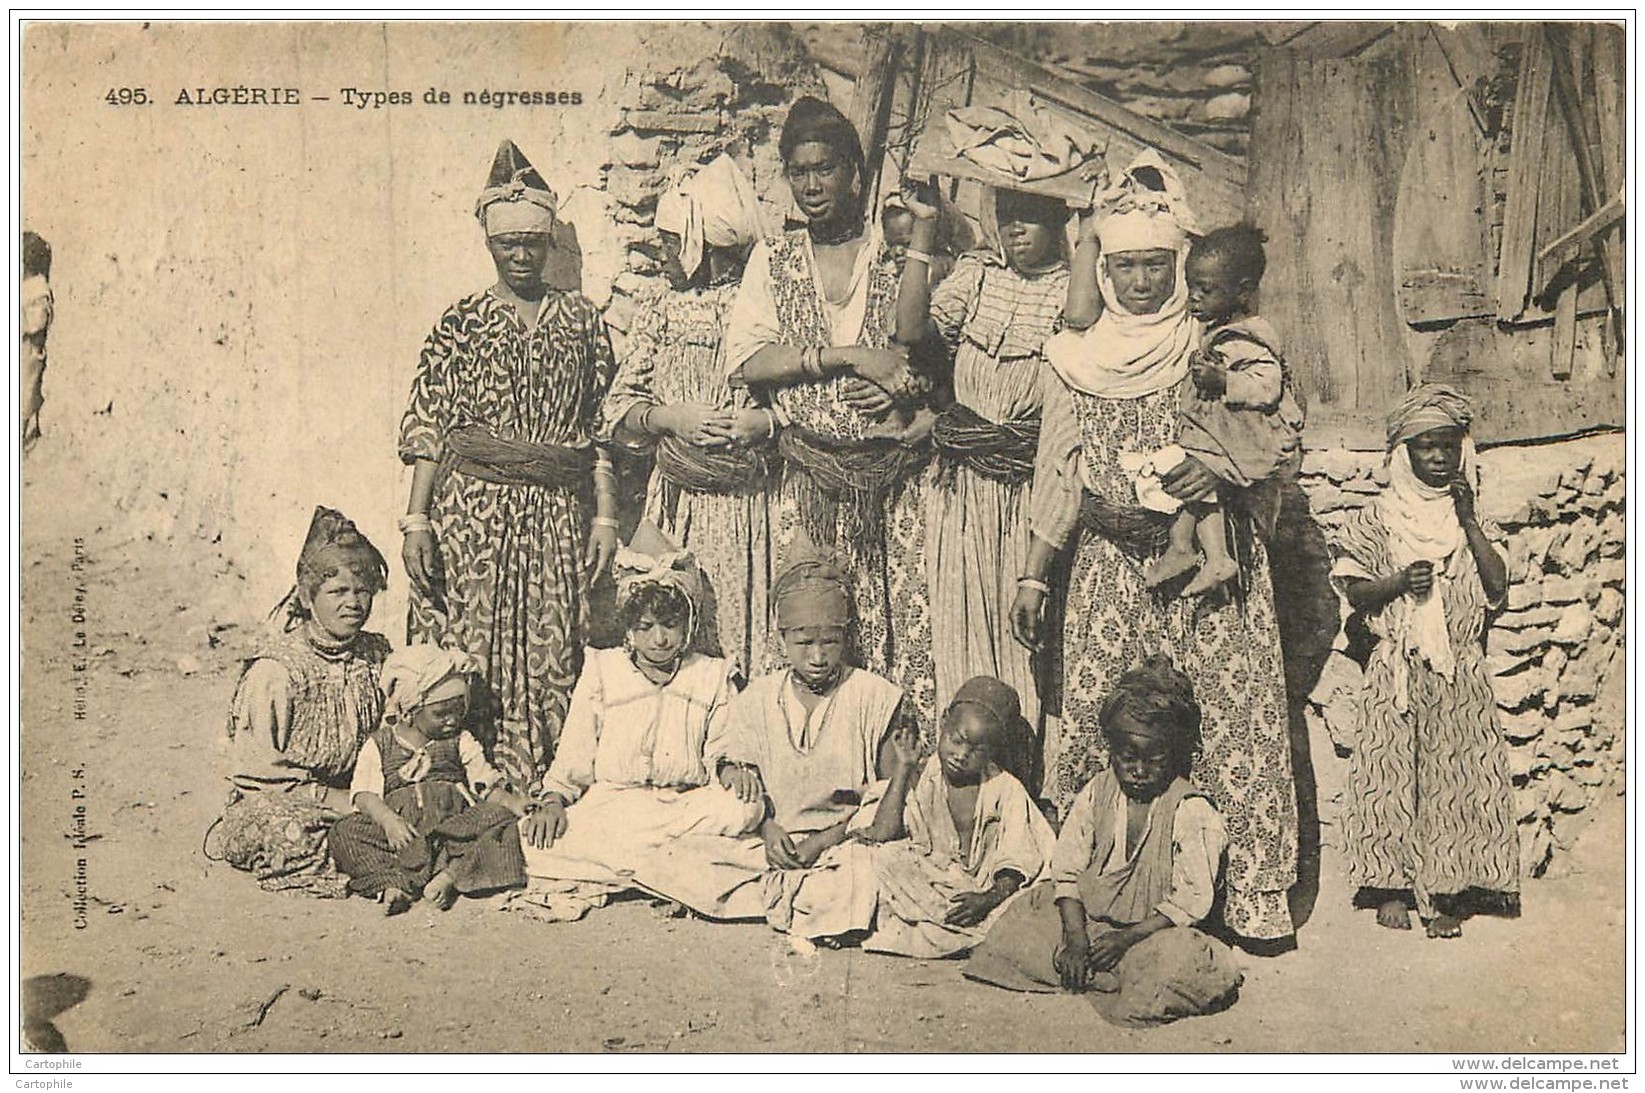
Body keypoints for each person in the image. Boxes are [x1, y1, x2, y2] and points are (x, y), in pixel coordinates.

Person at [1010, 150, 1298, 945]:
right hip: (1109, 567)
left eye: (1155, 266)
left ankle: (1241, 902)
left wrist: (1223, 484)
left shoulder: (1212, 344)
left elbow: (1275, 433)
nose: (1140, 282)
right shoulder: (1073, 357)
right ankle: (1101, 890)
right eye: (1125, 266)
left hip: (1209, 562)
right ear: (1103, 268)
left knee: (1227, 717)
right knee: (1111, 726)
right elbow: (1059, 472)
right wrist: (1035, 576)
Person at [399, 139, 620, 797]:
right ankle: (464, 780)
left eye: (532, 242)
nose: (520, 255)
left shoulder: (583, 321)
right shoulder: (462, 320)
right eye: (507, 244)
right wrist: (416, 519)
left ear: (549, 242)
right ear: (488, 244)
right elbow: (427, 424)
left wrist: (606, 514)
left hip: (556, 510)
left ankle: (550, 782)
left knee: (555, 644)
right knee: (471, 644)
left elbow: (600, 427)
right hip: (472, 510)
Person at [723, 95, 937, 730]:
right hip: (808, 482)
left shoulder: (896, 254)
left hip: (893, 486)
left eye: (825, 169)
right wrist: (847, 358)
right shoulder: (774, 258)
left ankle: (894, 773)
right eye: (799, 171)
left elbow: (936, 357)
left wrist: (906, 387)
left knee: (896, 631)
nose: (812, 186)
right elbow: (748, 362)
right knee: (811, 629)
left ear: (854, 175)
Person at [631, 549, 915, 923]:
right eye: (803, 644)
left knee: (871, 873)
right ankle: (799, 901)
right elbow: (740, 784)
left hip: (844, 843)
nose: (817, 657)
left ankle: (784, 900)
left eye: (828, 642)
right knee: (674, 858)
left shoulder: (875, 697)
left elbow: (886, 799)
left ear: (844, 638)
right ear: (782, 641)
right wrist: (767, 829)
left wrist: (824, 840)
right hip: (770, 842)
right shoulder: (758, 698)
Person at [1329, 384, 1517, 939]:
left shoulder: (1471, 517)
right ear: (1402, 454)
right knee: (1390, 776)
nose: (1437, 459)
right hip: (1397, 670)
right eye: (1424, 448)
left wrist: (1469, 518)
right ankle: (1390, 886)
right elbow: (1356, 593)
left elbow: (1497, 584)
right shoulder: (1375, 519)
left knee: (1454, 781)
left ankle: (1448, 888)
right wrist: (1395, 582)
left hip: (1459, 670)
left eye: (1447, 447)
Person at [965, 655, 1243, 1028]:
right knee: (1014, 934)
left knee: (1177, 965)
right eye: (1128, 757)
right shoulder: (1098, 792)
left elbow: (1192, 902)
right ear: (1111, 747)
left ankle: (1111, 975)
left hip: (1150, 934)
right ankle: (1096, 971)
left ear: (1175, 752)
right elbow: (1067, 870)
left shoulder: (1190, 811)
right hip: (1090, 922)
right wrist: (1076, 938)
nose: (1140, 771)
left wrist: (1125, 940)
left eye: (1155, 760)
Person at [511, 526, 764, 921]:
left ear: (688, 624)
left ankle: (638, 871)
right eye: (645, 627)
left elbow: (721, 745)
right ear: (628, 629)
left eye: (669, 625)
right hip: (618, 806)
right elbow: (576, 752)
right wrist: (554, 800)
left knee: (745, 808)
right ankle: (673, 871)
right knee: (538, 841)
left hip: (684, 804)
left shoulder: (711, 674)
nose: (659, 639)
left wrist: (730, 768)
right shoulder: (603, 668)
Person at [897, 181, 1071, 735]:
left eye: (1033, 216)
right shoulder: (978, 276)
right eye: (1007, 216)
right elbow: (908, 331)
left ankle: (1019, 771)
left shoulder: (1071, 294)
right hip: (962, 488)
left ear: (1060, 222)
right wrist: (924, 230)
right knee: (960, 623)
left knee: (1022, 630)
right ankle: (963, 759)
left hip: (1026, 491)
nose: (1016, 230)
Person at [603, 154, 776, 683]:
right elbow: (614, 412)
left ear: (707, 242)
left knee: (743, 628)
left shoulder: (762, 301)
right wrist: (668, 417)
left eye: (673, 240)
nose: (662, 252)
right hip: (677, 503)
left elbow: (796, 404)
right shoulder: (661, 306)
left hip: (747, 504)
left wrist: (762, 423)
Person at [212, 507, 392, 897]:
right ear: (308, 599)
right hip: (286, 801)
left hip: (360, 796)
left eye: (362, 591)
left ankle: (368, 858)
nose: (353, 604)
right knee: (288, 833)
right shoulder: (277, 671)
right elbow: (256, 774)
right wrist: (333, 799)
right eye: (337, 592)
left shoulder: (378, 655)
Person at [841, 676, 1055, 957]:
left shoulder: (1005, 788)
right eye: (956, 740)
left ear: (995, 750)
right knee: (870, 857)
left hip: (985, 891)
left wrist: (989, 898)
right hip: (931, 882)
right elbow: (882, 833)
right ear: (944, 722)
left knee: (1030, 907)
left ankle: (950, 933)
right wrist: (904, 767)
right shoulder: (924, 777)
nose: (962, 755)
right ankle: (951, 933)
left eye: (978, 750)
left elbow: (1020, 855)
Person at [1147, 224, 1304, 597]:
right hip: (1217, 434)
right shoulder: (1218, 329)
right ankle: (1187, 549)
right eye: (1192, 287)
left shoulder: (1249, 335)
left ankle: (1210, 555)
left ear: (1243, 291)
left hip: (1237, 438)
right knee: (1193, 488)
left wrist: (1225, 381)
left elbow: (1268, 385)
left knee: (1200, 484)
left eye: (1207, 289)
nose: (1195, 298)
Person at [330, 645, 529, 914]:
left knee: (500, 821)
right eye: (441, 713)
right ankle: (391, 886)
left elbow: (485, 784)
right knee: (345, 832)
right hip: (402, 835)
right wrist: (389, 822)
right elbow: (364, 794)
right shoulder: (380, 744)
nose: (452, 720)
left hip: (452, 829)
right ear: (410, 710)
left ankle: (450, 876)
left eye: (458, 711)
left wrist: (510, 801)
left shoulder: (461, 741)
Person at [21, 230, 51, 452]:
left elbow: (38, 321)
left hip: (30, 351)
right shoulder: (26, 285)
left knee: (25, 394)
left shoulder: (39, 287)